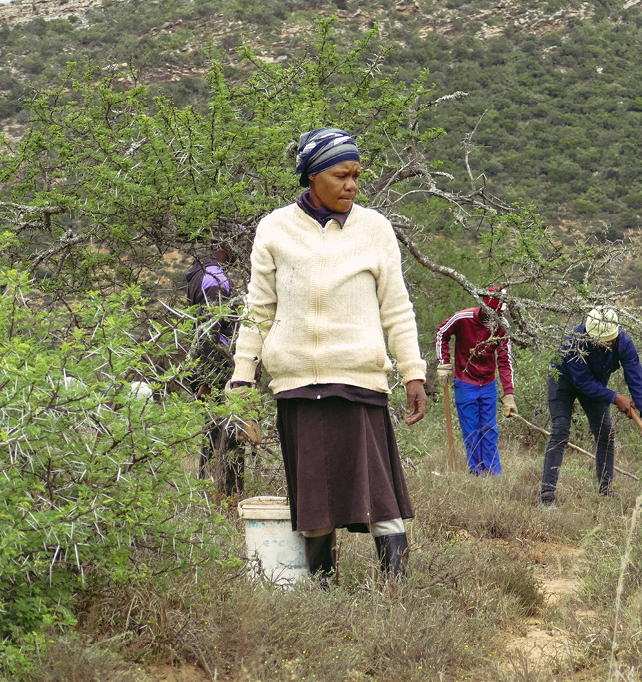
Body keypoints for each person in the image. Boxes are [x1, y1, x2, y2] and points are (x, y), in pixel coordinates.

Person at [227, 127, 427, 581]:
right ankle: (323, 592)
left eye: (356, 175)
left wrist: (413, 373)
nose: (352, 185)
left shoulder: (375, 229)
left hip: (359, 383)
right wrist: (242, 379)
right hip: (297, 385)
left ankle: (395, 594)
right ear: (312, 176)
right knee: (313, 506)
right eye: (341, 175)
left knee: (381, 500)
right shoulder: (275, 228)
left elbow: (396, 307)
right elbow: (258, 309)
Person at [539, 308, 642, 507]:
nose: (609, 343)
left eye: (612, 339)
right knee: (560, 431)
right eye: (605, 341)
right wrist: (615, 397)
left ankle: (606, 492)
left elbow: (636, 380)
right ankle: (547, 496)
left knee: (606, 433)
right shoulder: (573, 342)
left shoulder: (624, 343)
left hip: (594, 384)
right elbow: (582, 382)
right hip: (562, 380)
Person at [185, 238, 247, 496]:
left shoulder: (200, 273)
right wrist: (209, 378)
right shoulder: (214, 277)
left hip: (208, 365)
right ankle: (224, 493)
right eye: (238, 243)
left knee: (215, 430)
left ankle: (214, 490)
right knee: (226, 430)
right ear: (225, 244)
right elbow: (211, 330)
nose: (240, 250)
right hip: (219, 367)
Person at [435, 289, 517, 475]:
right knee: (472, 431)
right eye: (495, 312)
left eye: (501, 313)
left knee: (489, 430)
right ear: (485, 307)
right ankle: (476, 473)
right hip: (465, 382)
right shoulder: (462, 318)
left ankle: (493, 473)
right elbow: (442, 333)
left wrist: (509, 393)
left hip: (488, 383)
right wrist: (444, 363)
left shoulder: (502, 325)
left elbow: (505, 360)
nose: (499, 316)